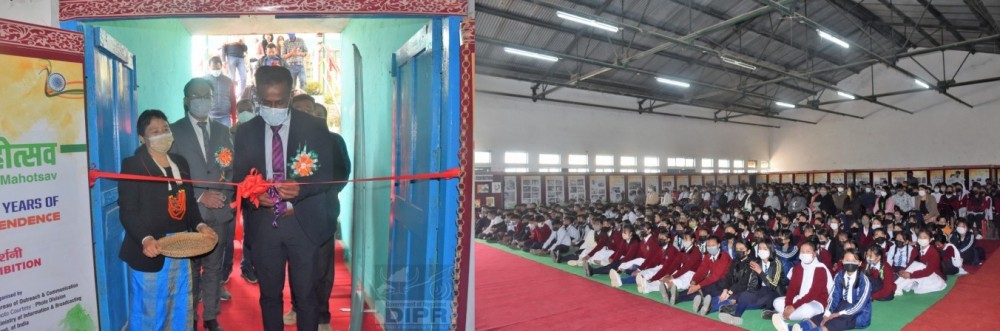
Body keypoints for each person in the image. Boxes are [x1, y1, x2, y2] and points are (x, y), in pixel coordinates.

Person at [232, 66, 341, 331]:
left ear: (290, 95)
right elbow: (239, 178)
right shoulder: (246, 131)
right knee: (269, 296)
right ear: (257, 96)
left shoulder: (314, 127)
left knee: (306, 296)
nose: (273, 108)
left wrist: (301, 189)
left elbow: (328, 173)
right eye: (267, 103)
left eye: (279, 102)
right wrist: (254, 197)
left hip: (303, 224)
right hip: (265, 225)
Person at [118, 109, 218, 330]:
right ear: (142, 138)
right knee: (150, 311)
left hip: (180, 248)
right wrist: (145, 239)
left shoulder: (180, 163)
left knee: (179, 304)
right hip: (150, 248)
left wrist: (201, 226)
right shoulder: (133, 165)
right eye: (154, 131)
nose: (162, 134)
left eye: (165, 129)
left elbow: (189, 202)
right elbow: (128, 210)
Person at [168, 79, 235, 331]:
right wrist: (199, 196)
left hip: (219, 211)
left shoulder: (222, 130)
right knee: (192, 269)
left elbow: (230, 168)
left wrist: (221, 194)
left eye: (206, 95)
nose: (202, 100)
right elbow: (171, 174)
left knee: (214, 268)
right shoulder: (174, 131)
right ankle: (191, 318)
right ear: (186, 100)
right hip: (190, 213)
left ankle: (210, 316)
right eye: (196, 96)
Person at [282, 97, 351, 330]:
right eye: (299, 110)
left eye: (309, 110)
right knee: (297, 265)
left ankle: (322, 315)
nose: (305, 115)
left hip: (323, 212)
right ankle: (296, 306)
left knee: (322, 268)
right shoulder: (285, 140)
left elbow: (342, 173)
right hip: (292, 215)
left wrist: (319, 194)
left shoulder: (333, 141)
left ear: (317, 112)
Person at [794, 249, 873, 331]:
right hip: (843, 305)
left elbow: (860, 305)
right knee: (820, 318)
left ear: (860, 263)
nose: (850, 263)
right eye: (847, 260)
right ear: (842, 261)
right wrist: (827, 313)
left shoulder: (864, 281)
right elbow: (834, 296)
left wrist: (838, 314)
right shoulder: (839, 275)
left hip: (859, 314)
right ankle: (794, 328)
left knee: (835, 322)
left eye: (854, 261)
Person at [768, 241, 833, 330]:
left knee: (808, 310)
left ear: (814, 254)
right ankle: (787, 315)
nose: (804, 254)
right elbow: (792, 289)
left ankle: (782, 316)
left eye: (808, 251)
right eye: (802, 251)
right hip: (800, 299)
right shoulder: (797, 268)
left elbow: (813, 293)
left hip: (817, 302)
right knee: (776, 302)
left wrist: (794, 307)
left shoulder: (820, 268)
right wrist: (788, 305)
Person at [719, 241, 784, 326]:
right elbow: (753, 282)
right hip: (760, 289)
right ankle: (736, 316)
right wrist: (746, 294)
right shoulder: (756, 261)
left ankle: (734, 308)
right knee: (745, 295)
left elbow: (773, 285)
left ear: (771, 250)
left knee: (764, 299)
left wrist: (760, 272)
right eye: (760, 248)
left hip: (774, 291)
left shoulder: (776, 263)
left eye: (765, 249)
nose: (761, 250)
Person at [895, 230, 947, 296]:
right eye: (920, 237)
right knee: (914, 265)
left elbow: (928, 271)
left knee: (918, 265)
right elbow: (910, 264)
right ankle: (895, 285)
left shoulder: (933, 253)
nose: (922, 239)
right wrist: (903, 271)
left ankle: (898, 287)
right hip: (922, 275)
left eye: (924, 237)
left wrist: (910, 275)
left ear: (930, 240)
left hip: (934, 279)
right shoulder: (915, 250)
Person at [205, 56, 238, 127]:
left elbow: (233, 100)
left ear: (221, 67)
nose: (215, 71)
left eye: (218, 68)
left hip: (225, 117)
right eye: (213, 68)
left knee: (225, 137)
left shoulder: (228, 81)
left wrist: (234, 119)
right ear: (209, 67)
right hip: (209, 117)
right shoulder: (204, 81)